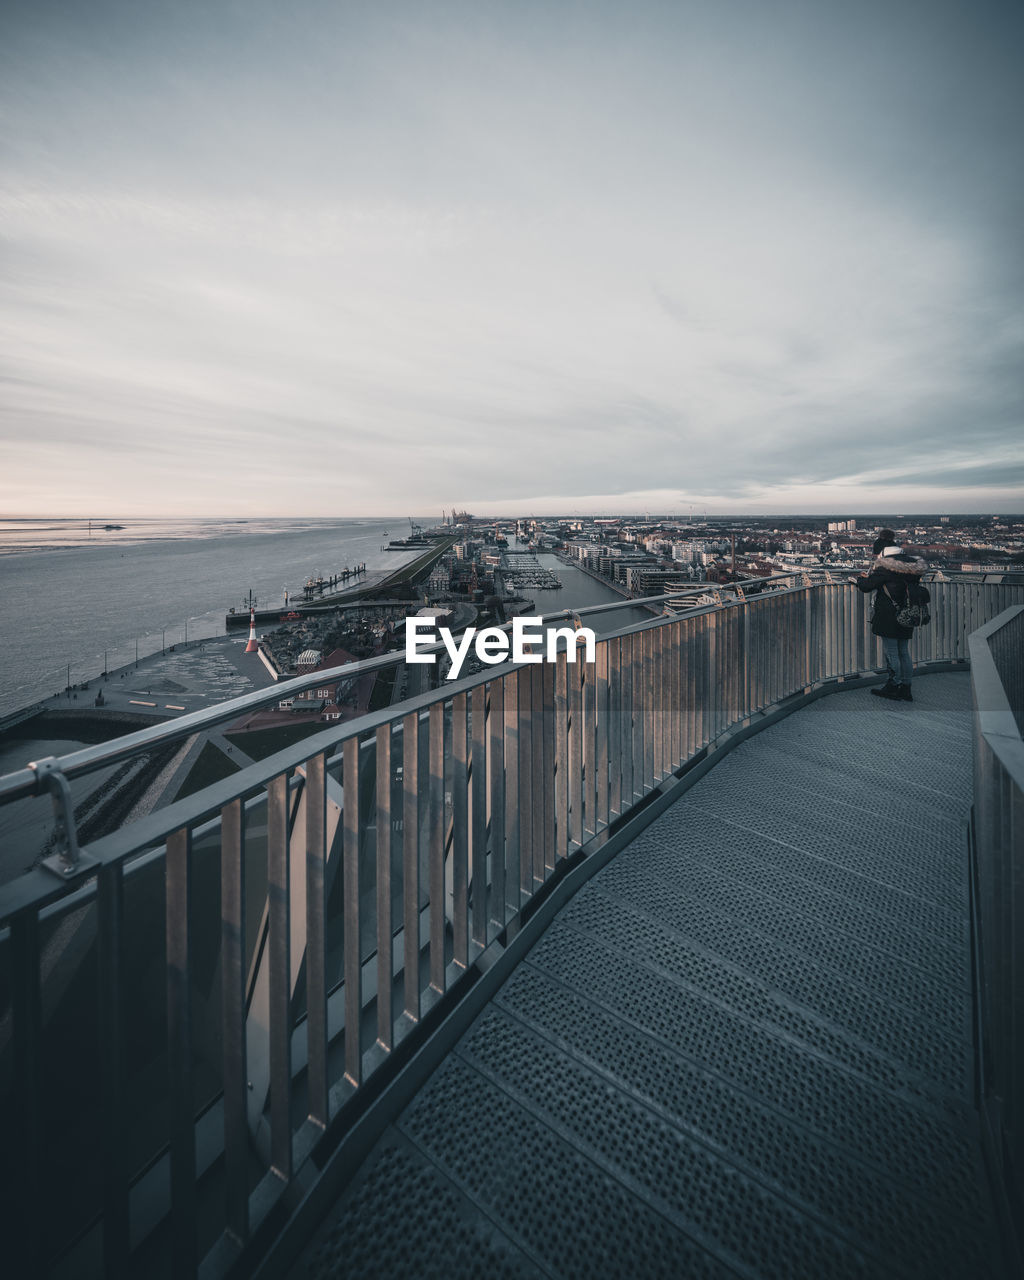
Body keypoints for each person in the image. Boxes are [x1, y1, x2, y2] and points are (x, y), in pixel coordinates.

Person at [856, 529, 927, 701]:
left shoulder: (885, 566)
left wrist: (859, 579)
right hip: (908, 612)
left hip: (889, 613)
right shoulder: (911, 564)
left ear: (881, 552)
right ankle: (906, 688)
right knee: (904, 651)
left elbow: (867, 586)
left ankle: (893, 686)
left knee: (892, 652)